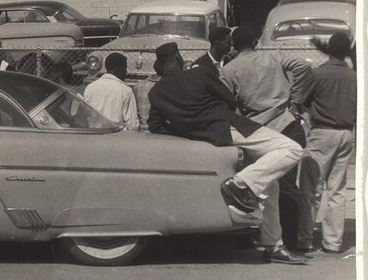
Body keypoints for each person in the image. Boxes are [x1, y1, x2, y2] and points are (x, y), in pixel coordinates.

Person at [147, 42, 306, 265]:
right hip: (233, 127)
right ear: (177, 57)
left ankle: (273, 245)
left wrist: (192, 131)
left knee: (271, 182)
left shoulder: (156, 93)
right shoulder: (200, 74)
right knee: (292, 149)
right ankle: (240, 184)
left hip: (211, 138)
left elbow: (155, 124)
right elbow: (229, 99)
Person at [221, 25, 312, 254]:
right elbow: (303, 65)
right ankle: (292, 242)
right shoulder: (273, 56)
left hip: (257, 129)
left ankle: (268, 238)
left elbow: (226, 100)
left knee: (267, 185)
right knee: (288, 185)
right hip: (286, 122)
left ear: (234, 45)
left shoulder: (230, 69)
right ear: (255, 42)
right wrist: (294, 96)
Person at [297, 31, 357, 255]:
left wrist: (309, 114)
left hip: (322, 132)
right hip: (346, 133)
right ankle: (333, 242)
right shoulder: (355, 77)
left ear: (329, 49)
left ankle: (304, 239)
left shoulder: (318, 73)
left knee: (311, 188)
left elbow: (301, 100)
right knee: (337, 189)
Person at [81, 52, 139, 130]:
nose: (126, 72)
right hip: (116, 137)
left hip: (93, 134)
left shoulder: (90, 88)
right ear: (118, 68)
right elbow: (132, 125)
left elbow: (83, 116)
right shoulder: (125, 90)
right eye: (125, 68)